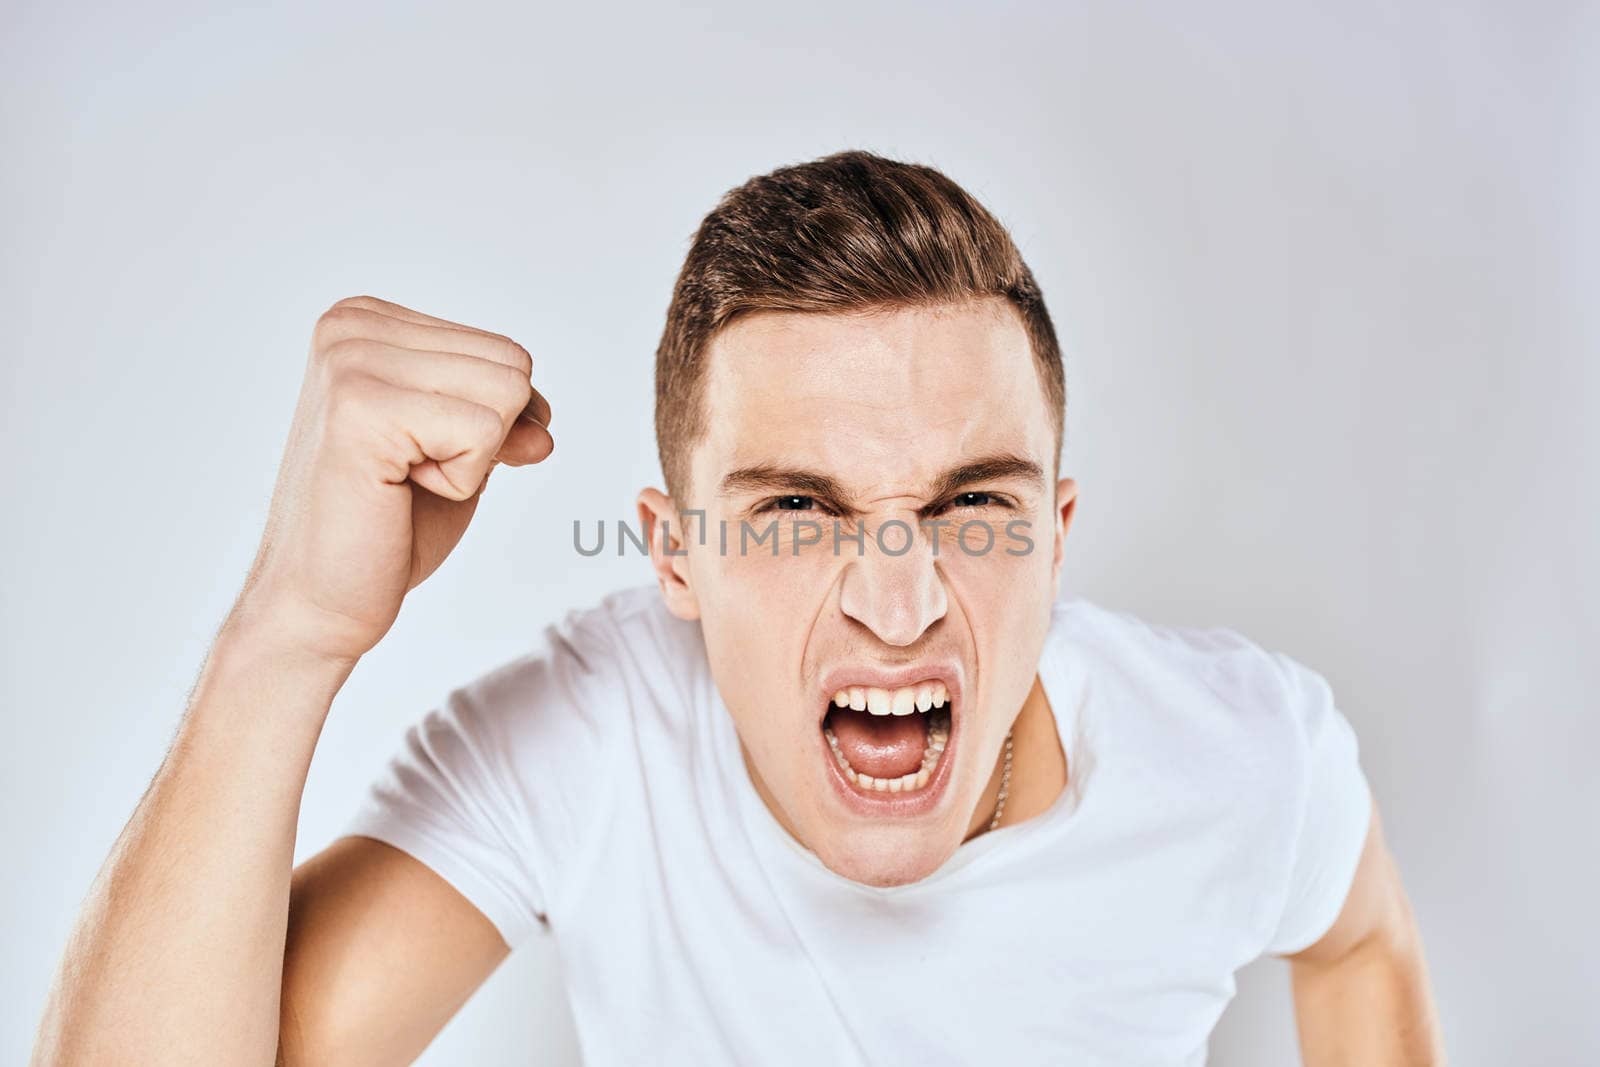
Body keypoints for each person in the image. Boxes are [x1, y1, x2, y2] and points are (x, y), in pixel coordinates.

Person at [32, 151, 1444, 1065]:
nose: (897, 609)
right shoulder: (594, 740)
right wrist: (290, 630)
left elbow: (1361, 939)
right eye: (794, 513)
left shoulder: (1238, 751)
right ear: (677, 558)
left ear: (1055, 537)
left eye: (972, 509)